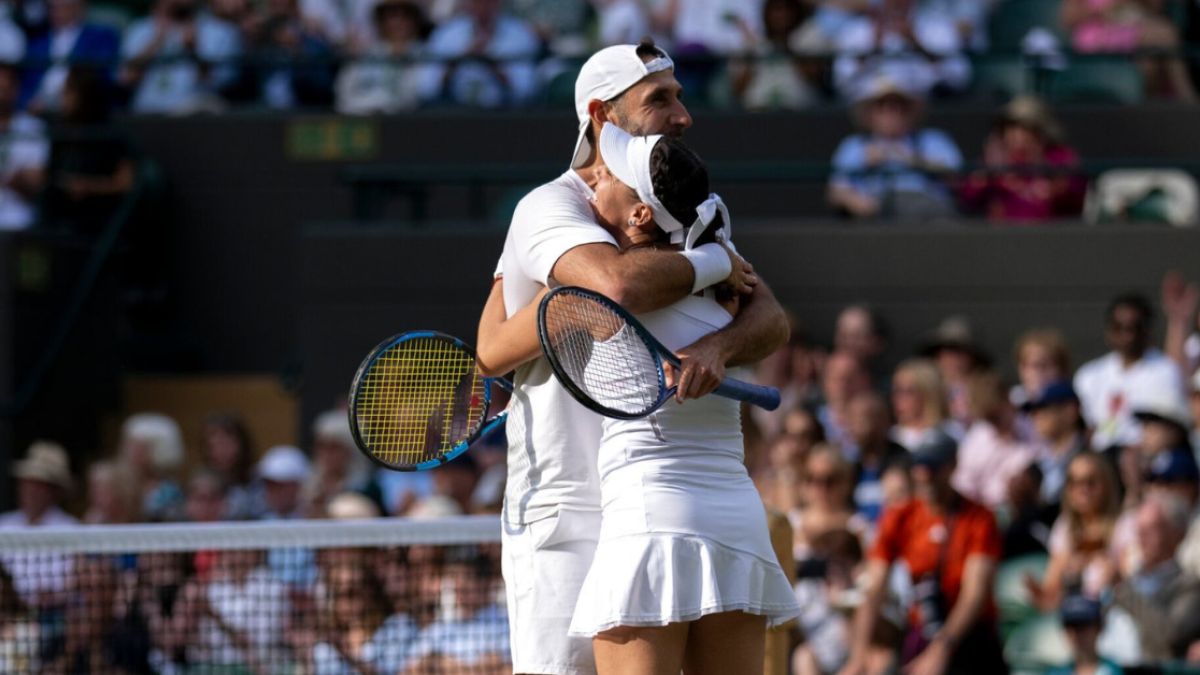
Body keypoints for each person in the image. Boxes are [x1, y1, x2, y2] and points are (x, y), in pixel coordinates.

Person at [474, 39, 788, 675]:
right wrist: (714, 262)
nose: (683, 114)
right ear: (602, 115)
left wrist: (716, 348)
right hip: (564, 509)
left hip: (653, 497)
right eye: (660, 99)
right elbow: (614, 288)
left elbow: (770, 317)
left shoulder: (686, 206)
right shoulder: (550, 206)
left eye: (679, 95)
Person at [560, 124, 800, 674]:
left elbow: (501, 342)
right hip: (735, 519)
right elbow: (770, 316)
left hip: (652, 519)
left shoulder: (612, 283)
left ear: (640, 215)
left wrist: (715, 350)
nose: (595, 177)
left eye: (611, 175)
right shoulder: (721, 274)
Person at [838, 432, 1007, 675]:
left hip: (969, 635)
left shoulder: (978, 519)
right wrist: (857, 656)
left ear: (952, 467)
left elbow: (974, 594)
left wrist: (940, 650)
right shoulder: (901, 516)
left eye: (935, 467)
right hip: (923, 627)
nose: (926, 475)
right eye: (920, 466)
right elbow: (874, 588)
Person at [827, 75, 962, 219]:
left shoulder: (933, 140)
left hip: (930, 218)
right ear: (869, 113)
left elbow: (957, 180)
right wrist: (864, 204)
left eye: (900, 106)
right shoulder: (854, 146)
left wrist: (913, 160)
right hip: (877, 221)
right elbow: (836, 192)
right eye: (882, 106)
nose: (892, 112)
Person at [1075, 293, 1186, 452]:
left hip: (1144, 457)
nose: (1127, 336)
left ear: (1147, 331)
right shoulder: (1089, 375)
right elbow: (1085, 429)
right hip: (1099, 458)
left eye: (1134, 328)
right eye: (1119, 328)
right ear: (1109, 332)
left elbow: (1168, 430)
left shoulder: (1166, 371)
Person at [958, 96, 1087, 223]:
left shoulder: (1059, 157)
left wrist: (1051, 185)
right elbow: (968, 199)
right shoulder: (993, 161)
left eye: (1023, 127)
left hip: (1050, 236)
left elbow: (1076, 195)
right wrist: (987, 174)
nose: (1015, 134)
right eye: (1010, 127)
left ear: (1039, 130)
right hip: (1002, 237)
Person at [1026, 452, 1122, 610]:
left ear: (1106, 485)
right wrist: (1039, 593)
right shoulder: (1064, 528)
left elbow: (1134, 585)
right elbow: (1051, 596)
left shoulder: (1123, 526)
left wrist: (1114, 576)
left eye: (1090, 482)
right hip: (1076, 617)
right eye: (1074, 482)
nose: (1082, 489)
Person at [1110, 494, 1200, 661]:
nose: (1141, 539)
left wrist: (1122, 590)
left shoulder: (1189, 586)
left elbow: (1169, 635)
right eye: (1139, 531)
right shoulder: (1127, 581)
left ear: (1177, 534)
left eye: (1151, 530)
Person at [119, 0, 242, 114]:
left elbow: (217, 84)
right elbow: (127, 79)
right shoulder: (140, 29)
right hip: (146, 115)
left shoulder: (222, 32)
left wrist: (193, 51)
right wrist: (156, 41)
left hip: (195, 119)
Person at [1060, 0, 1196, 100]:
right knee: (1165, 34)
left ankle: (1151, 117)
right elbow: (1069, 19)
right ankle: (1188, 100)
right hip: (1097, 35)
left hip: (1136, 30)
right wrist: (1103, 10)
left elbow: (1156, 9)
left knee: (1150, 62)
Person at [415, 0, 540, 108]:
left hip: (503, 115)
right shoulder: (446, 33)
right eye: (477, 0)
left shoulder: (520, 35)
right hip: (455, 113)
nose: (483, 5)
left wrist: (492, 63)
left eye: (489, 1)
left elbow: (525, 92)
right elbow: (428, 90)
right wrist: (457, 61)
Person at [952, 370, 1037, 513]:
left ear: (1007, 399)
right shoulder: (976, 441)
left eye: (997, 415)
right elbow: (964, 487)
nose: (996, 424)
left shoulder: (1033, 428)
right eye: (989, 420)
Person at [20, 0, 120, 113]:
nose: (58, 13)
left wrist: (70, 98)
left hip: (83, 109)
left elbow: (102, 77)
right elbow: (25, 83)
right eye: (53, 7)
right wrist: (28, 102)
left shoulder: (101, 37)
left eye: (65, 7)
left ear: (80, 8)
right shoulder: (37, 43)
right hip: (39, 109)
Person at [334, 0, 430, 115]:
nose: (399, 22)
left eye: (406, 15)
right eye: (392, 15)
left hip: (403, 123)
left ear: (415, 21)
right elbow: (343, 94)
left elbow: (412, 97)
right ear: (381, 21)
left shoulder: (425, 53)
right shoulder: (365, 53)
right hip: (360, 120)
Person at [792, 444, 867, 561]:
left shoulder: (859, 528)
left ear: (846, 482)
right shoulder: (790, 523)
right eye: (812, 479)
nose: (821, 488)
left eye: (830, 480)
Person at [919, 316, 991, 432]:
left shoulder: (985, 390)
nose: (951, 358)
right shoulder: (924, 389)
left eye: (958, 351)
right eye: (945, 350)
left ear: (973, 356)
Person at [845, 391, 907, 525]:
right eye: (852, 418)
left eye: (862, 418)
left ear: (884, 421)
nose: (854, 426)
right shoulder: (850, 467)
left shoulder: (905, 464)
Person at [0, 63, 49, 231]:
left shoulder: (34, 128)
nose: (2, 93)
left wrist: (16, 179)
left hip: (17, 221)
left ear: (16, 89)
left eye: (6, 87)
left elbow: (36, 180)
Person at [1025, 380, 1087, 509]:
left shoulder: (1091, 458)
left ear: (1071, 410)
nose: (1036, 417)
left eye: (1044, 409)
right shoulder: (1035, 468)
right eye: (1034, 412)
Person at [119, 412, 187, 523]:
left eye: (139, 448)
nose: (130, 453)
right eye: (130, 446)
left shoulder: (170, 491)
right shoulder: (120, 486)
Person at [199, 411, 262, 520]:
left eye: (225, 443)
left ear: (242, 444)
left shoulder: (257, 480)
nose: (220, 451)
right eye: (213, 445)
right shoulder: (201, 482)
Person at [889, 358, 956, 451]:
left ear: (928, 392)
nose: (898, 398)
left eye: (907, 391)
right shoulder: (892, 437)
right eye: (896, 391)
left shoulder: (952, 432)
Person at [1047, 594, 1124, 675]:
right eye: (1071, 626)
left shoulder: (1113, 671)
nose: (1077, 633)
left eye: (1083, 626)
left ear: (1099, 628)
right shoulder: (1055, 673)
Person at [819, 350, 873, 452]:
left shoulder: (875, 426)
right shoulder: (812, 421)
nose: (842, 386)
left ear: (865, 381)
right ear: (825, 382)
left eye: (849, 379)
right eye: (835, 379)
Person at [83, 459, 141, 524]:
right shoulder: (92, 523)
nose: (94, 497)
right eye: (93, 491)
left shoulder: (144, 523)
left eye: (102, 492)